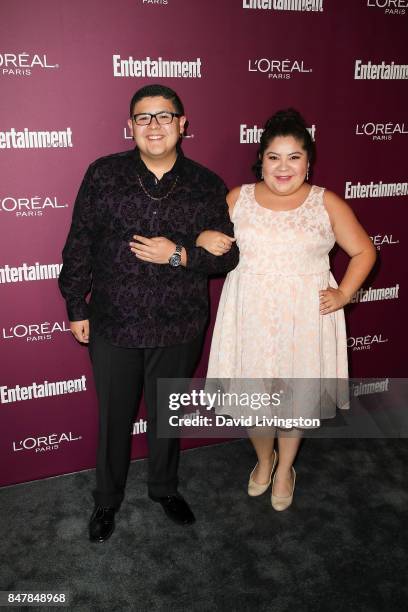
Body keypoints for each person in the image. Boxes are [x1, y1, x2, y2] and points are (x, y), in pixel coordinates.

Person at [58, 84, 239, 542]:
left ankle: (163, 487)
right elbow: (79, 243)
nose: (154, 126)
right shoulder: (103, 174)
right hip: (114, 322)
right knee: (114, 419)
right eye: (143, 117)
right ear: (130, 126)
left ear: (183, 124)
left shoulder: (206, 184)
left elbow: (225, 256)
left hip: (179, 323)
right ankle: (107, 499)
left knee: (167, 416)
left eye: (164, 116)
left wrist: (178, 254)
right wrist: (77, 304)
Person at [198, 109, 376, 511]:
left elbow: (364, 251)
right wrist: (205, 235)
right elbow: (205, 242)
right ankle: (265, 459)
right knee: (254, 399)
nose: (283, 167)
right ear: (261, 159)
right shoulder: (236, 198)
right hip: (249, 313)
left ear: (307, 162)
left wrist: (345, 293)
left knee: (296, 400)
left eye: (294, 157)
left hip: (305, 317)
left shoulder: (325, 202)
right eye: (274, 157)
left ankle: (285, 469)